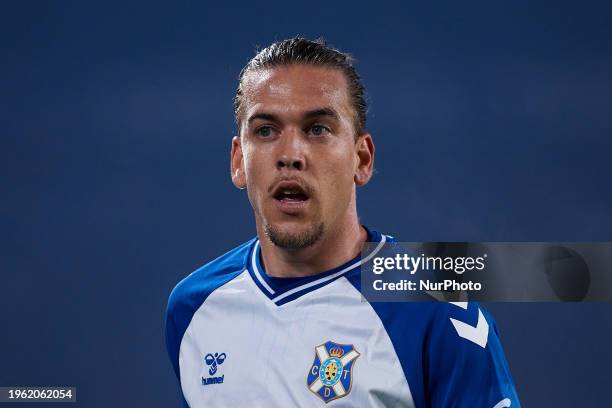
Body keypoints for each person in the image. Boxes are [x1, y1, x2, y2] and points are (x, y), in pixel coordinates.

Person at [165, 38, 521, 407]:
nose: (290, 155)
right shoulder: (194, 309)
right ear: (239, 161)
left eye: (317, 129)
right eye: (266, 131)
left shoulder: (436, 311)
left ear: (362, 159)